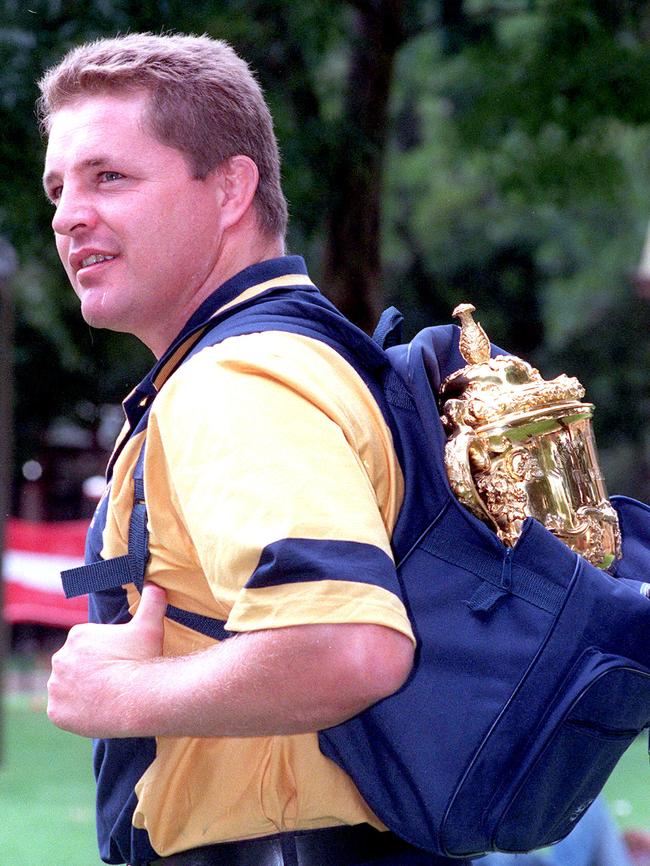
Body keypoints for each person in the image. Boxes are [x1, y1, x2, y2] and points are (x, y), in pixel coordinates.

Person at [39, 32, 448, 866]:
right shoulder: (303, 350)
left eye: (109, 176)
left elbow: (349, 645)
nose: (67, 214)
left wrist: (125, 693)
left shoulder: (237, 379)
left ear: (230, 189)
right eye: (58, 188)